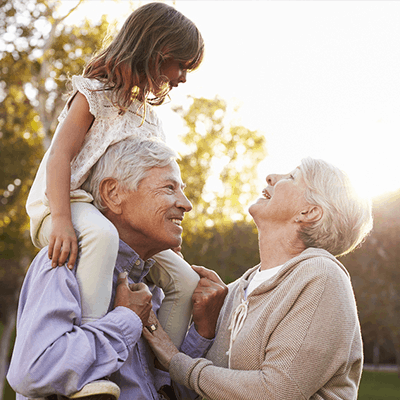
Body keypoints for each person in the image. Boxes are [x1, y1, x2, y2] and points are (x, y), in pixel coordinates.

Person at [26, 2, 204, 348]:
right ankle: (91, 348)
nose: (182, 78)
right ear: (157, 53)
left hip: (112, 211)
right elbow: (59, 156)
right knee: (102, 236)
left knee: (184, 278)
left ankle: (160, 368)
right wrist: (61, 219)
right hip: (67, 199)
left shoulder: (148, 117)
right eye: (181, 66)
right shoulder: (94, 92)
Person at [7, 137, 228, 400]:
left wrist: (203, 331)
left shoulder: (157, 289)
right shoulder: (63, 263)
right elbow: (33, 371)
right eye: (169, 188)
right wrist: (126, 319)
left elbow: (170, 392)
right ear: (113, 193)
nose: (186, 204)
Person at [143, 157, 373, 400]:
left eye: (292, 177)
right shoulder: (235, 291)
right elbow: (194, 390)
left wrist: (174, 359)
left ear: (310, 212)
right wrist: (204, 330)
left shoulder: (322, 276)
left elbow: (276, 391)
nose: (271, 176)